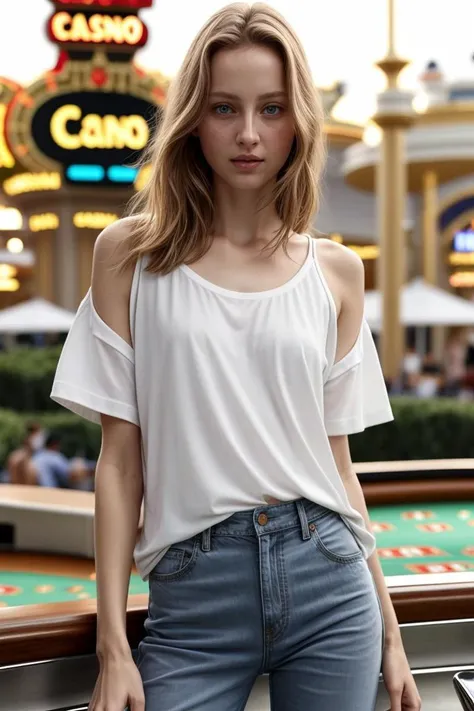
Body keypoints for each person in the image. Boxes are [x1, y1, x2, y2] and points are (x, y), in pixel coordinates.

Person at [50, 4, 421, 711]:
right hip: (193, 595)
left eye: (271, 108)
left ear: (298, 121)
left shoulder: (336, 272)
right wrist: (113, 644)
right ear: (193, 118)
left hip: (330, 584)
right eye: (225, 107)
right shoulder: (129, 257)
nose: (249, 133)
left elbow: (338, 466)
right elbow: (119, 459)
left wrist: (393, 635)